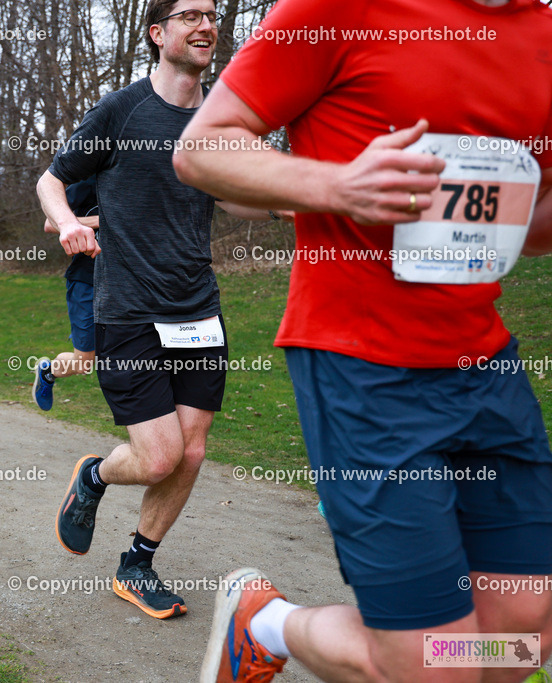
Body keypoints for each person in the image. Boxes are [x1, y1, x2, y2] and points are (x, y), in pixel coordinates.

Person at [173, 0, 552, 680]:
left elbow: (534, 214)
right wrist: (341, 184)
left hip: (483, 361)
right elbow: (203, 147)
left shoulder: (542, 33)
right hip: (362, 364)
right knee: (434, 666)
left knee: (525, 633)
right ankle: (263, 623)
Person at [38, 0, 281, 620]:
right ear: (158, 32)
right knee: (159, 456)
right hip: (129, 310)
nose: (206, 24)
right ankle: (94, 477)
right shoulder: (122, 110)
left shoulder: (219, 118)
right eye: (191, 14)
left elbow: (239, 199)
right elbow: (51, 179)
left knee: (193, 452)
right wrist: (68, 224)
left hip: (197, 307)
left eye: (212, 15)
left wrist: (290, 201)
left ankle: (137, 564)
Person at [33, 176, 99, 410]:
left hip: (128, 282)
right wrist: (101, 221)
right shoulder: (89, 182)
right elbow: (50, 223)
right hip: (87, 281)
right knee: (85, 362)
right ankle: (48, 372)